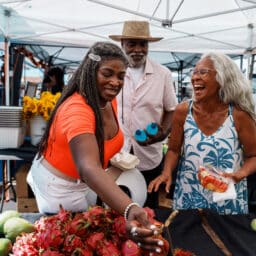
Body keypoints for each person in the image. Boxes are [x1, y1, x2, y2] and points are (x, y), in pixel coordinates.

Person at [26, 42, 164, 252]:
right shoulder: (77, 110)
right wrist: (130, 208)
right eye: (107, 73)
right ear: (91, 72)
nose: (115, 82)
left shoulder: (108, 100)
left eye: (120, 76)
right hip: (59, 188)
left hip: (82, 183)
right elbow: (89, 168)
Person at [148, 52, 256, 215]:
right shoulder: (183, 110)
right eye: (194, 72)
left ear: (222, 78)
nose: (194, 78)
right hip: (189, 195)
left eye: (203, 72)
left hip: (226, 199)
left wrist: (239, 175)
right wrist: (166, 172)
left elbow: (253, 155)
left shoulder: (239, 114)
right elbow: (174, 150)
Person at [109, 20, 178, 209]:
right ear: (122, 45)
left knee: (148, 209)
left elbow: (171, 110)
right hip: (117, 153)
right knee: (118, 206)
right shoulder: (113, 73)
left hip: (149, 154)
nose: (138, 49)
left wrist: (162, 134)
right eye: (132, 44)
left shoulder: (162, 74)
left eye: (143, 44)